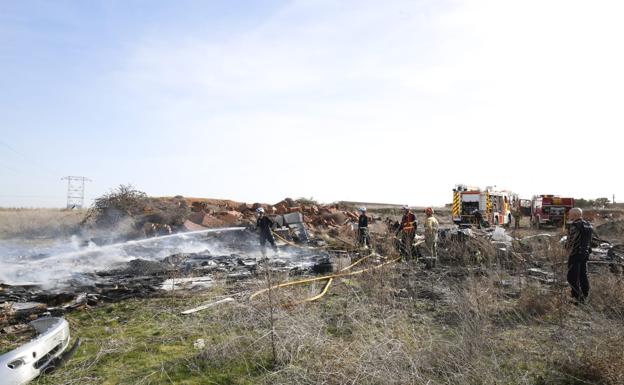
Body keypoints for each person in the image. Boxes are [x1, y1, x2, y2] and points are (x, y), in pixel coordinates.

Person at [565, 208, 593, 304]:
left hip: (575, 253)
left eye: (569, 214)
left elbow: (572, 240)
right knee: (583, 275)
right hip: (585, 253)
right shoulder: (588, 225)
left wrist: (566, 248)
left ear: (575, 215)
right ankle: (585, 296)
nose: (568, 215)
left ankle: (576, 297)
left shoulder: (575, 225)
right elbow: (591, 241)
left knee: (571, 276)